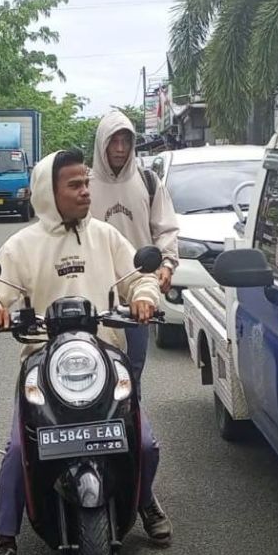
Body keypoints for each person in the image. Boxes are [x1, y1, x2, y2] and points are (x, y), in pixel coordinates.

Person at [0, 148, 174, 555]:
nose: (86, 191)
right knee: (16, 452)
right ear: (50, 191)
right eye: (75, 185)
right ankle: (6, 539)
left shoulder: (105, 236)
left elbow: (139, 275)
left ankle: (144, 498)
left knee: (144, 444)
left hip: (103, 354)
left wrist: (143, 296)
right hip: (44, 360)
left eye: (87, 183)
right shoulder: (23, 245)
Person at [89, 112, 179, 385]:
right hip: (95, 294)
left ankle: (132, 424)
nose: (119, 148)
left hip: (138, 293)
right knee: (95, 367)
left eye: (125, 141)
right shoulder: (83, 186)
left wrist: (166, 263)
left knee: (134, 368)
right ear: (101, 144)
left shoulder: (148, 182)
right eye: (113, 141)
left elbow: (165, 228)